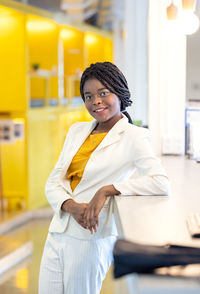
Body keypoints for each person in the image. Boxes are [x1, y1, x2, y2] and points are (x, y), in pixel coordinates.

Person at [38, 62, 169, 294]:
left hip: (90, 237)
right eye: (88, 96)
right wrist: (70, 206)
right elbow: (53, 181)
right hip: (58, 230)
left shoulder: (134, 136)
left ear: (119, 92)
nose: (96, 101)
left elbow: (160, 181)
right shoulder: (77, 131)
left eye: (103, 93)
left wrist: (108, 189)